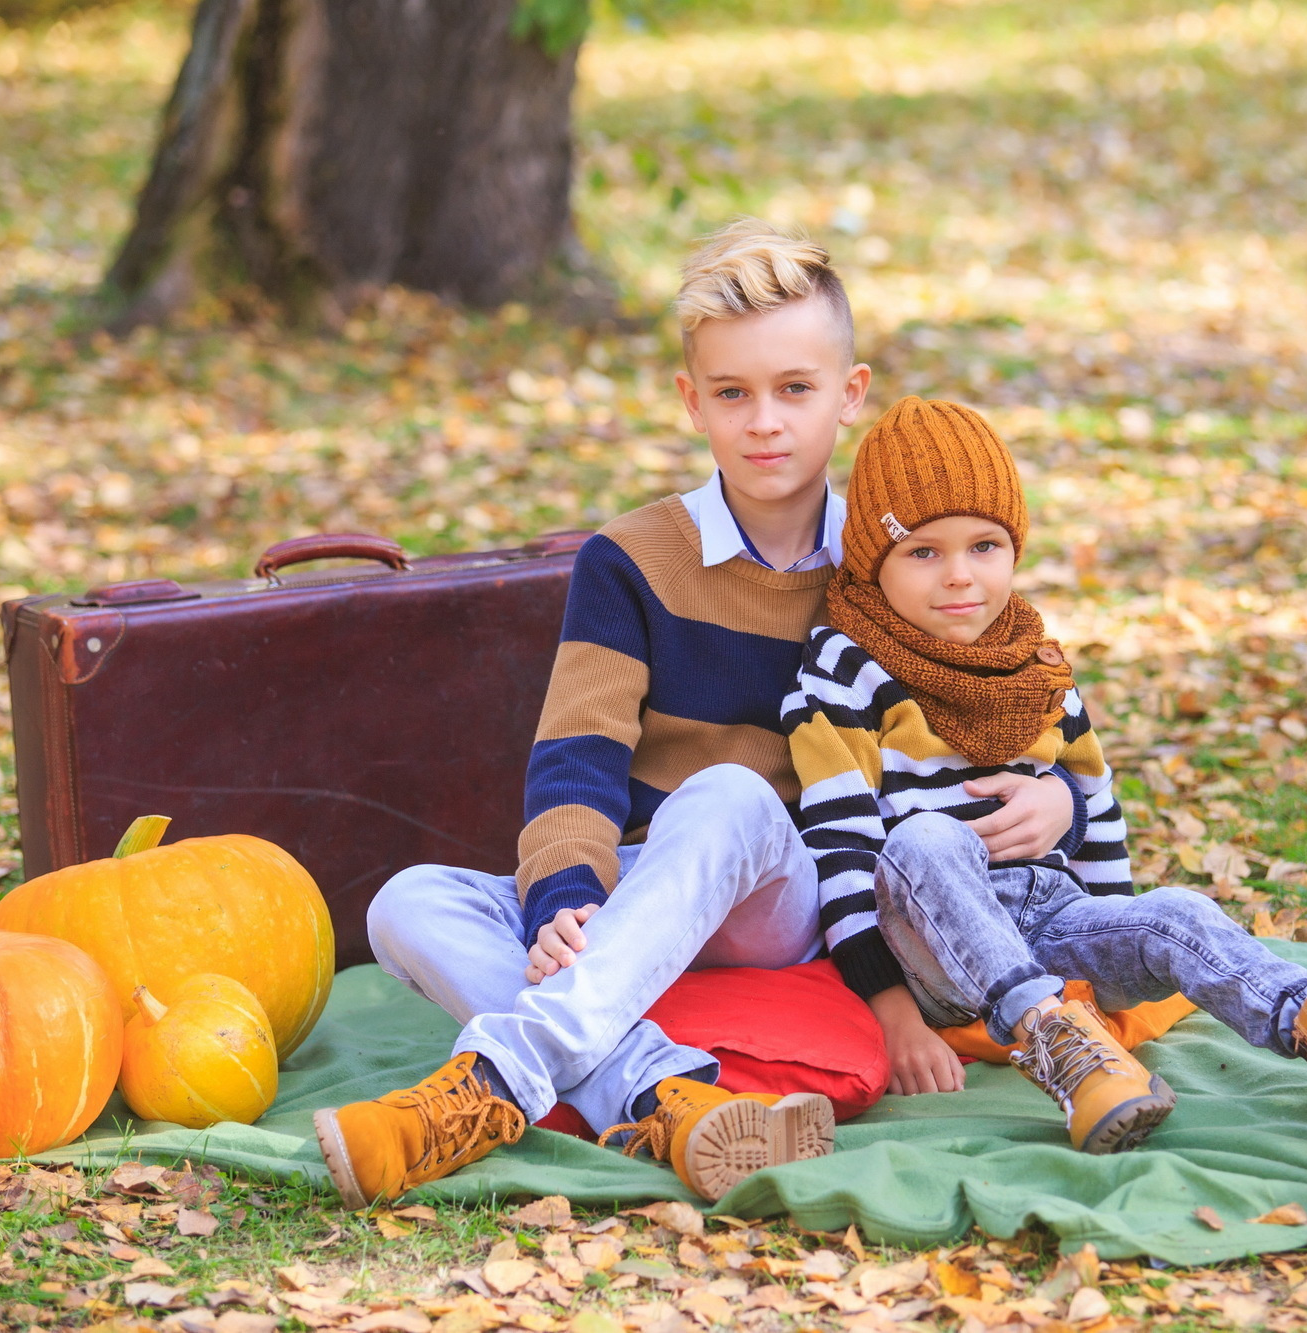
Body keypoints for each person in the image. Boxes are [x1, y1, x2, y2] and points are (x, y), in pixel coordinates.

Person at [313, 223, 1086, 1206]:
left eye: (794, 389)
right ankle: (665, 1096)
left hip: (794, 891)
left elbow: (1005, 699)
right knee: (409, 901)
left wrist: (1054, 792)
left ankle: (497, 1077)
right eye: (732, 393)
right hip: (654, 882)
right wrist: (559, 900)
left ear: (848, 396)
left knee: (725, 794)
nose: (764, 421)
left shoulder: (896, 559)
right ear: (692, 402)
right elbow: (576, 756)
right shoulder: (629, 558)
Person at [782, 396, 1307, 1153]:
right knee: (930, 841)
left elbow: (1095, 810)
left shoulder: (1035, 662)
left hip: (1048, 914)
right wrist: (894, 1017)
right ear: (874, 562)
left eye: (984, 546)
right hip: (928, 937)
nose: (959, 577)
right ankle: (1059, 1046)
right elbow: (839, 853)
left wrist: (1082, 850)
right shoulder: (843, 666)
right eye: (923, 552)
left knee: (1174, 912)